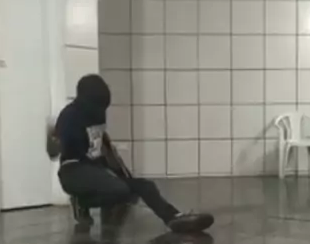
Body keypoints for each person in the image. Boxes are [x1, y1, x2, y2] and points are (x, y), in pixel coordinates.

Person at [54, 74, 214, 233]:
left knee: (144, 187)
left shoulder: (98, 113)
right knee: (118, 189)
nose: (101, 110)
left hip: (96, 169)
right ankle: (81, 202)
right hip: (73, 170)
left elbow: (104, 146)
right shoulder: (69, 116)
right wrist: (57, 139)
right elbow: (60, 149)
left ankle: (173, 217)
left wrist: (125, 176)